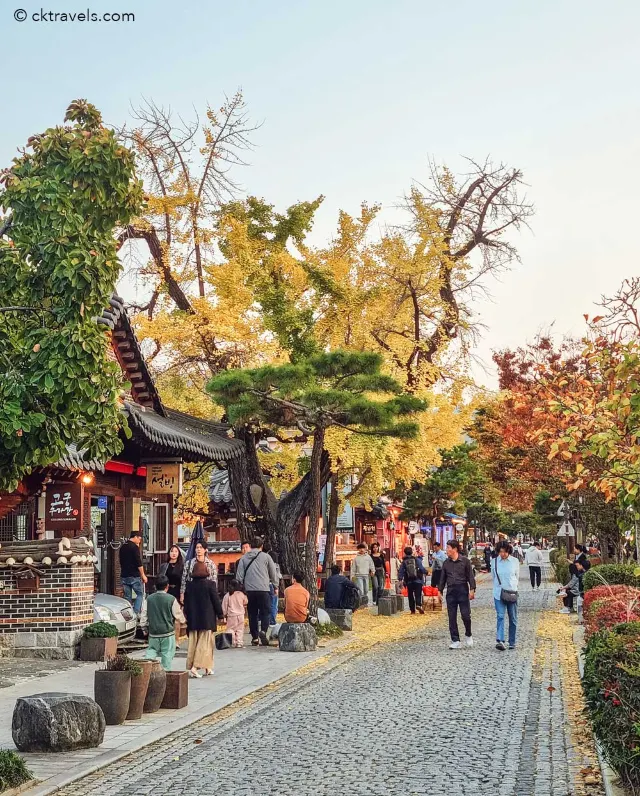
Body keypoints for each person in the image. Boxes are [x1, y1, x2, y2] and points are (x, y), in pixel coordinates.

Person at [184, 560, 224, 677]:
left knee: (193, 643)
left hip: (193, 618)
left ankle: (208, 667)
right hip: (207, 619)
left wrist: (187, 614)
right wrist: (220, 615)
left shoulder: (189, 585)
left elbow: (186, 603)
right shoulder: (210, 584)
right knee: (205, 644)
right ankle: (195, 668)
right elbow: (216, 601)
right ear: (206, 571)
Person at [236, 536, 278, 646]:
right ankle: (263, 630)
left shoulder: (243, 559)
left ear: (251, 546)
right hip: (263, 589)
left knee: (252, 613)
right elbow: (273, 573)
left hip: (249, 590)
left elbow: (239, 576)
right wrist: (276, 586)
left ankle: (254, 637)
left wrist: (240, 588)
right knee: (266, 611)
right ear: (261, 546)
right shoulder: (266, 557)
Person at [439, 539, 476, 649]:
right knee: (451, 617)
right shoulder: (446, 563)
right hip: (451, 591)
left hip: (462, 590)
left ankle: (468, 633)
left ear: (454, 549)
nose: (446, 550)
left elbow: (470, 576)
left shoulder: (465, 561)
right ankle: (455, 639)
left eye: (448, 548)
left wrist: (472, 589)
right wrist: (439, 591)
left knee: (465, 615)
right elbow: (442, 578)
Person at [144, 574, 186, 670]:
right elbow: (178, 614)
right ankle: (165, 672)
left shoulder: (149, 599)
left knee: (151, 650)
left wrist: (144, 627)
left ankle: (146, 667)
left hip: (153, 633)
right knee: (167, 654)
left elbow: (144, 615)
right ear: (167, 586)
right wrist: (184, 621)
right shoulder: (171, 599)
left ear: (155, 586)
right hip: (167, 632)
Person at [492, 541, 520, 651]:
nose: (502, 554)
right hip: (498, 593)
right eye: (500, 552)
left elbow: (517, 576)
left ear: (509, 551)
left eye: (505, 552)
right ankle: (500, 640)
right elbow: (493, 577)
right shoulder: (494, 562)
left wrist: (513, 587)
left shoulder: (515, 561)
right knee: (500, 616)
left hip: (511, 592)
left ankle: (512, 641)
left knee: (513, 618)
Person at [119, 530, 147, 615]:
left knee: (127, 597)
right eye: (139, 538)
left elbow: (121, 561)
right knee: (140, 594)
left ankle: (128, 614)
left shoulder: (123, 546)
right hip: (134, 576)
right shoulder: (134, 547)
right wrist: (143, 575)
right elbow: (138, 562)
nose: (140, 540)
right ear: (135, 537)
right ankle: (136, 613)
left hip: (124, 576)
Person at [398, 546, 427, 614]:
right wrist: (426, 572)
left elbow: (401, 571)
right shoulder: (416, 559)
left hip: (409, 581)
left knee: (410, 595)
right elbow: (421, 568)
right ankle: (418, 605)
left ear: (405, 553)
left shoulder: (404, 562)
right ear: (412, 552)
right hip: (418, 580)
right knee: (418, 594)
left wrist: (400, 579)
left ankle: (412, 610)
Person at [222, 579, 248, 648]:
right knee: (240, 629)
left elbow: (224, 606)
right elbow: (246, 602)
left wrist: (224, 614)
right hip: (241, 615)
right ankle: (239, 642)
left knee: (230, 629)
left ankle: (231, 641)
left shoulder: (227, 595)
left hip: (231, 615)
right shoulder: (241, 594)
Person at [264, 543, 282, 626]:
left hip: (264, 585)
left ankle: (264, 620)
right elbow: (277, 576)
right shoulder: (275, 566)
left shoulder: (264, 564)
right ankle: (272, 621)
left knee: (265, 604)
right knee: (273, 604)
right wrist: (276, 587)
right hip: (272, 585)